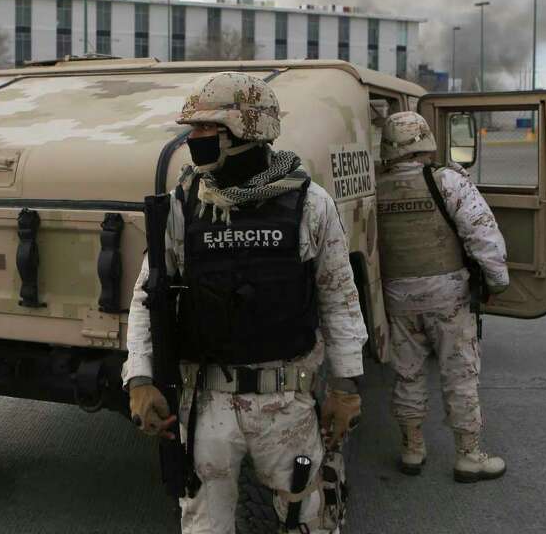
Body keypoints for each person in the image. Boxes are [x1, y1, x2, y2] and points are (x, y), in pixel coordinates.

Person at [124, 71, 367, 533]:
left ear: (245, 132)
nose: (192, 140)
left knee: (308, 520)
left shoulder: (311, 205)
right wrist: (139, 377)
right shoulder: (184, 204)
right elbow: (147, 297)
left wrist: (345, 388)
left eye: (204, 130)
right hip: (207, 405)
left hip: (287, 403)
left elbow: (339, 299)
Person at [376, 111, 509, 483]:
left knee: (407, 375)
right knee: (460, 374)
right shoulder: (446, 180)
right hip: (447, 296)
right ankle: (468, 456)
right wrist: (496, 282)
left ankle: (412, 449)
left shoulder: (374, 185)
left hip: (397, 297)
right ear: (424, 141)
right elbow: (483, 234)